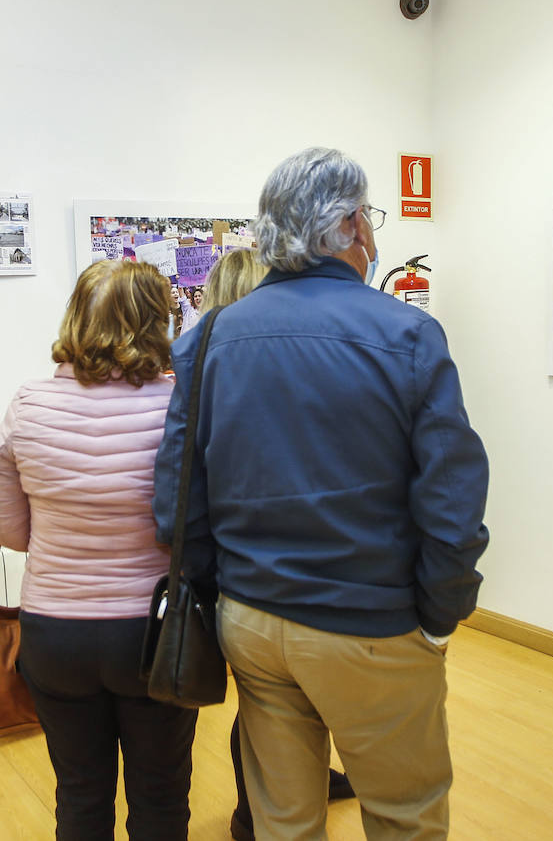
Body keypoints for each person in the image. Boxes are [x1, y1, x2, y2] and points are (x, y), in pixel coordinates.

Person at [153, 147, 490, 839]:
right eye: (367, 216)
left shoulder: (208, 338)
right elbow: (452, 499)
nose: (372, 232)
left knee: (282, 820)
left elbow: (179, 499)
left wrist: (227, 592)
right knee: (405, 813)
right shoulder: (408, 334)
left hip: (253, 622)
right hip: (371, 623)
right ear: (345, 230)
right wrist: (439, 615)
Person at [0, 259, 198, 841]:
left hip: (56, 633)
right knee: (160, 794)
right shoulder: (178, 408)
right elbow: (194, 525)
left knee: (79, 791)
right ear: (158, 321)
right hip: (153, 633)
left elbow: (9, 532)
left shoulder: (27, 404)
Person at [200, 245, 355, 841]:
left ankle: (280, 796)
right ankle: (258, 806)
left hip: (240, 572)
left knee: (268, 702)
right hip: (268, 576)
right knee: (274, 704)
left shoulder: (209, 370)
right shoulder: (259, 375)